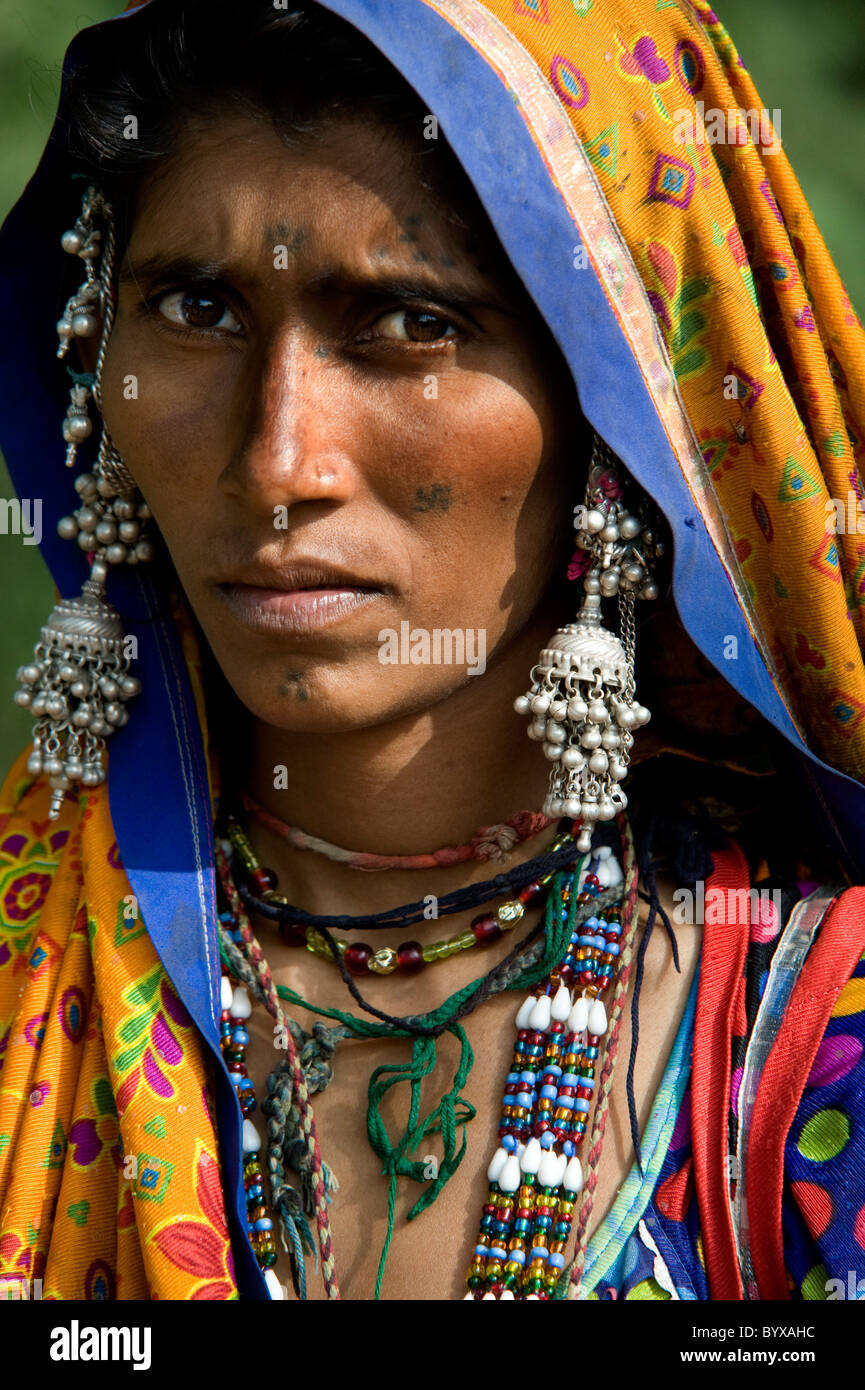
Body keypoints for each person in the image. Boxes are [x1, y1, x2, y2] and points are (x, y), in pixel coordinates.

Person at [0, 0, 863, 1303]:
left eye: (413, 322)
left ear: (617, 401)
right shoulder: (26, 953)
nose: (279, 463)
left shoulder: (803, 1034)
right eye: (196, 305)